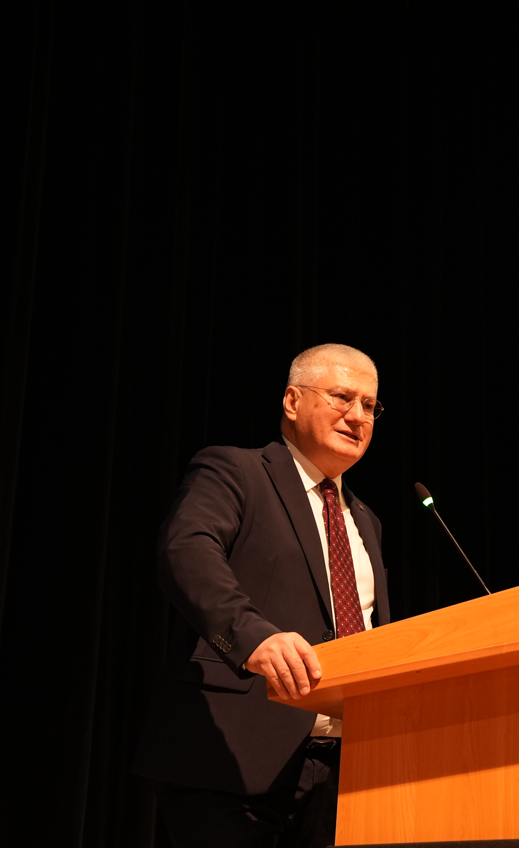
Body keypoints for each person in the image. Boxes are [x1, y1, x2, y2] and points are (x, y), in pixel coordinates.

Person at [134, 343, 391, 848]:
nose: (358, 416)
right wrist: (252, 639)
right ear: (293, 402)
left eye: (370, 405)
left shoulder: (367, 522)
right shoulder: (235, 471)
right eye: (343, 396)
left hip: (343, 774)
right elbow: (187, 551)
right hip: (230, 759)